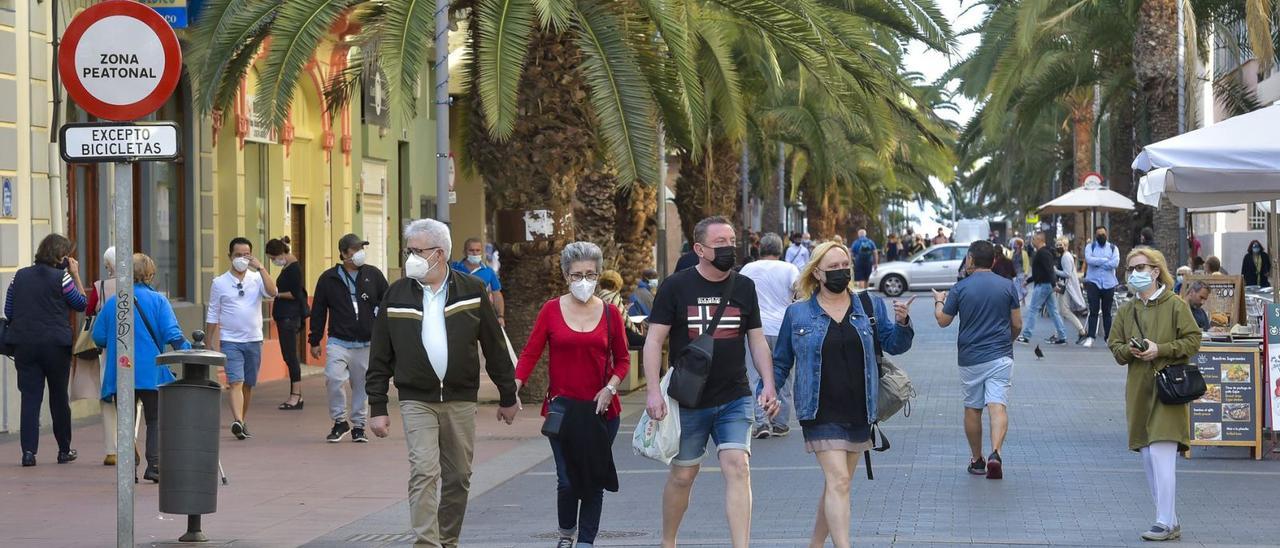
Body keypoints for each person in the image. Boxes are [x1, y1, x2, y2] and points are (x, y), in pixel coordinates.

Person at [366, 218, 520, 547]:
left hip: (460, 399)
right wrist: (377, 406)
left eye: (416, 251)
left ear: (439, 254)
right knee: (423, 471)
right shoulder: (396, 293)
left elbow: (494, 345)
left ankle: (447, 541)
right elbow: (380, 354)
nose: (411, 258)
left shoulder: (472, 290)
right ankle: (427, 544)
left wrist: (508, 395)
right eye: (408, 251)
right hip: (415, 398)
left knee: (459, 477)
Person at [643, 216, 780, 548]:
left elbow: (757, 340)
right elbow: (653, 341)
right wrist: (652, 392)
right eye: (720, 243)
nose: (729, 248)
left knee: (738, 467)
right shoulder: (676, 286)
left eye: (731, 241)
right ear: (700, 249)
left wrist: (769, 383)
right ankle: (668, 541)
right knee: (683, 476)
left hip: (734, 395)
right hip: (689, 399)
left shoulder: (744, 286)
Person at [772, 242, 913, 548]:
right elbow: (781, 361)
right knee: (838, 481)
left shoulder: (868, 306)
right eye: (832, 267)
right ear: (817, 273)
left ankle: (815, 544)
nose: (840, 271)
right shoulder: (797, 314)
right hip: (819, 410)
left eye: (844, 265)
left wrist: (902, 324)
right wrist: (768, 392)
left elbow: (894, 344)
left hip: (859, 410)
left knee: (839, 485)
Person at [515, 242, 630, 548]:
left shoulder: (609, 314)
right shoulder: (551, 310)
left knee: (593, 479)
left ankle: (586, 542)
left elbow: (623, 359)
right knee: (567, 480)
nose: (584, 281)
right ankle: (567, 533)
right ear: (566, 275)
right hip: (562, 410)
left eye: (590, 274)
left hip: (602, 411)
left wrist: (610, 387)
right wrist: (514, 386)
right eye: (577, 274)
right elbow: (530, 353)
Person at [1107, 247, 1200, 541]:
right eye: (1130, 269)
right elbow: (1115, 346)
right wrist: (1131, 351)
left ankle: (1162, 521)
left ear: (1156, 271)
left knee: (1162, 453)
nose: (1134, 274)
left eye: (1140, 267)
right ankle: (1170, 520)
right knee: (1148, 455)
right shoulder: (1126, 309)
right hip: (1139, 390)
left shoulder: (1175, 305)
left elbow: (1193, 340)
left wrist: (1161, 349)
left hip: (1169, 388)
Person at [92, 253, 188, 483]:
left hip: (122, 370)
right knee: (154, 419)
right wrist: (189, 349)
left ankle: (129, 468)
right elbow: (172, 334)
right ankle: (154, 465)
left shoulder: (115, 301)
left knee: (125, 420)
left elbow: (98, 336)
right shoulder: (158, 301)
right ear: (150, 274)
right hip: (151, 371)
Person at [933, 240, 1020, 480]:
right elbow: (1017, 324)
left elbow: (943, 321)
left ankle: (977, 459)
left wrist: (939, 300)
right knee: (998, 404)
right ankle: (996, 452)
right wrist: (1007, 342)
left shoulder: (960, 288)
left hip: (970, 357)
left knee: (973, 408)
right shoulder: (1008, 286)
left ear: (970, 259)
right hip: (1001, 355)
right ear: (994, 260)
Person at [5, 234, 87, 466]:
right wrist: (76, 273)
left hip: (24, 345)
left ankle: (28, 453)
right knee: (59, 397)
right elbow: (81, 304)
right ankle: (64, 450)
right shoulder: (62, 278)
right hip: (55, 346)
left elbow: (9, 309)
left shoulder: (19, 276)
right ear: (61, 256)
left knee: (30, 398)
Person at [310, 234, 389, 443]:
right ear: (344, 253)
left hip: (366, 342)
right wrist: (314, 339)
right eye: (355, 249)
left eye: (362, 248)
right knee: (334, 379)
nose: (360, 253)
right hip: (339, 340)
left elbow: (387, 301)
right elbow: (318, 310)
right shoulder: (328, 278)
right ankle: (339, 421)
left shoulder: (373, 274)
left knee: (362, 385)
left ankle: (359, 426)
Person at [206, 237, 278, 441]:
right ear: (230, 256)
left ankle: (241, 421)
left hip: (254, 339)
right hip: (230, 341)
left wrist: (262, 268)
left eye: (246, 255)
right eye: (238, 255)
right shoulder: (219, 283)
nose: (242, 259)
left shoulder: (256, 278)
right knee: (235, 382)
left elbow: (273, 292)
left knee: (248, 384)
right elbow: (213, 312)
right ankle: (237, 420)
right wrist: (209, 340)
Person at [738, 232, 799, 439]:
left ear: (760, 248)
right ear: (780, 249)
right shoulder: (789, 269)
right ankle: (780, 423)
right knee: (783, 374)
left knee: (756, 377)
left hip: (756, 329)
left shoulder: (748, 269)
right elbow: (800, 293)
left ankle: (761, 422)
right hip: (783, 328)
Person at [83, 246, 127, 465]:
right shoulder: (135, 288)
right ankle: (130, 441)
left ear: (109, 264)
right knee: (132, 396)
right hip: (132, 348)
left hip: (106, 349)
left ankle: (112, 450)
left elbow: (89, 313)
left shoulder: (99, 287)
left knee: (107, 396)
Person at [266, 237, 307, 410]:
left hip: (290, 317)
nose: (272, 261)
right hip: (286, 317)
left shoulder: (293, 269)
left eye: (272, 258)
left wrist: (276, 293)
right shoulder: (288, 266)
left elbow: (295, 294)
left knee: (291, 356)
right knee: (289, 356)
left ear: (281, 253)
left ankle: (295, 396)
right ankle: (296, 394)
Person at [1017, 232, 1067, 345]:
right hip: (1047, 285)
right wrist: (1028, 280)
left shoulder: (1042, 253)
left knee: (1033, 310)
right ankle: (1062, 336)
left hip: (1043, 285)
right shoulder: (1044, 252)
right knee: (1053, 311)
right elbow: (1042, 271)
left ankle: (1026, 336)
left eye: (1034, 239)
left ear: (1039, 240)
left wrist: (1054, 284)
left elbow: (1049, 269)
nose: (1032, 241)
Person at [452, 237, 505, 325]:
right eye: (471, 250)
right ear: (464, 252)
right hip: (458, 315)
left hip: (481, 316)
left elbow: (497, 294)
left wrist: (500, 316)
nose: (475, 253)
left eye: (478, 250)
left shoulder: (488, 271)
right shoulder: (454, 268)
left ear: (482, 252)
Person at [1082, 227, 1120, 348]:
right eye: (1099, 234)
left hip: (1109, 284)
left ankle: (1108, 337)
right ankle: (1091, 337)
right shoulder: (1090, 247)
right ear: (1095, 235)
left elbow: (1115, 263)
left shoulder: (1113, 248)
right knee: (1093, 311)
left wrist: (1097, 263)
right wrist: (1105, 260)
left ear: (1106, 234)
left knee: (1107, 312)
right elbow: (1089, 260)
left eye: (1103, 234)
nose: (1101, 236)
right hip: (1093, 283)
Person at [597, 270, 645, 348]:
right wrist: (638, 332)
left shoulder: (599, 296)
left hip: (603, 333)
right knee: (646, 341)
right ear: (617, 284)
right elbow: (625, 321)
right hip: (617, 334)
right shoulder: (613, 296)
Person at [1053, 237, 1088, 344]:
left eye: (1061, 245)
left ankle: (1081, 331)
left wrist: (1055, 271)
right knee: (1060, 311)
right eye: (1057, 245)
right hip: (1066, 286)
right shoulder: (1065, 256)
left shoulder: (1066, 257)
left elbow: (1067, 273)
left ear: (1066, 245)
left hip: (1067, 287)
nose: (1058, 247)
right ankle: (1058, 334)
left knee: (1064, 311)